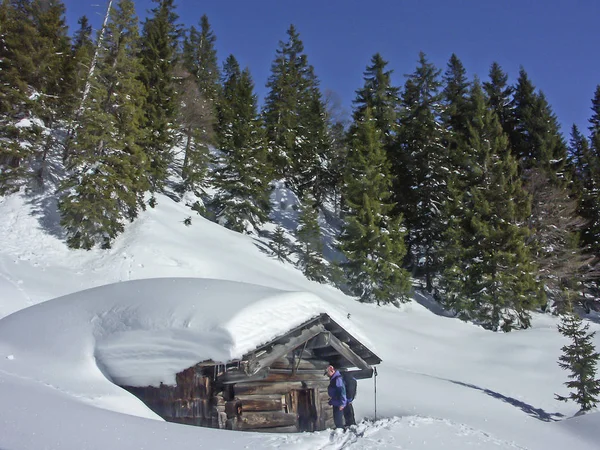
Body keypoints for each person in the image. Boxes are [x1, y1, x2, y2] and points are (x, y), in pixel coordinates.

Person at [326, 364, 346, 429]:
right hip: (336, 402)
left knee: (338, 421)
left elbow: (342, 391)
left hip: (339, 403)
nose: (327, 375)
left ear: (332, 370)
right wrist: (331, 401)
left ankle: (341, 435)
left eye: (327, 372)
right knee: (337, 420)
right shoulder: (333, 379)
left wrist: (342, 404)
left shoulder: (337, 379)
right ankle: (339, 434)